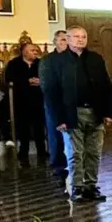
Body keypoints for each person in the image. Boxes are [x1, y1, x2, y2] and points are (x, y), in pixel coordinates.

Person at [41, 26, 112, 201]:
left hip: (95, 112)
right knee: (75, 153)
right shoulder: (56, 61)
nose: (80, 40)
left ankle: (91, 186)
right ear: (67, 39)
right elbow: (51, 92)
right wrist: (58, 119)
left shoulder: (95, 59)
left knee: (94, 152)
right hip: (71, 113)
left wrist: (108, 112)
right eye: (76, 36)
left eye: (83, 36)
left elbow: (106, 86)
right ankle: (77, 187)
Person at [3, 41, 47, 165]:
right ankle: (23, 151)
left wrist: (40, 81)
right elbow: (9, 79)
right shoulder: (14, 64)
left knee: (39, 127)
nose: (35, 52)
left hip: (38, 99)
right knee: (23, 128)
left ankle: (42, 151)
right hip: (21, 100)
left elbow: (48, 77)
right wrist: (27, 81)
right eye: (32, 50)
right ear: (23, 52)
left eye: (36, 50)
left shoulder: (41, 63)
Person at [45, 29, 71, 176]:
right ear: (55, 42)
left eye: (67, 39)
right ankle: (57, 163)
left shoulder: (73, 58)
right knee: (55, 131)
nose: (65, 43)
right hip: (54, 99)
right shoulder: (48, 60)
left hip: (70, 99)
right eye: (62, 40)